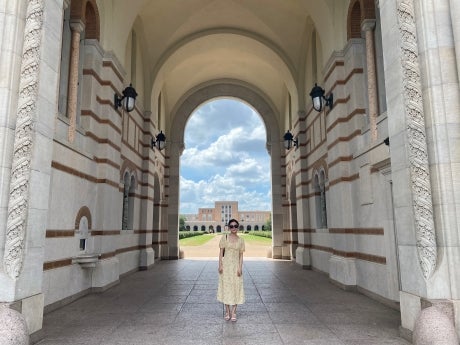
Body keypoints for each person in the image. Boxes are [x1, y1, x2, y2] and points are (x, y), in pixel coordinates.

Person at [217, 219, 245, 321]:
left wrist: (240, 267)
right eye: (231, 226)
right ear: (229, 227)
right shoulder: (224, 238)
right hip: (226, 266)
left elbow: (241, 255)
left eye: (235, 226)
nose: (234, 228)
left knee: (236, 287)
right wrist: (220, 265)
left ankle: (234, 312)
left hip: (236, 267)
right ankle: (227, 311)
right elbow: (221, 253)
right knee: (226, 287)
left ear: (238, 227)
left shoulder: (241, 240)